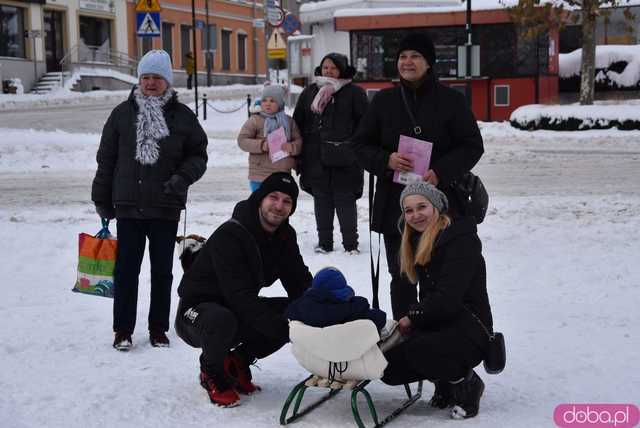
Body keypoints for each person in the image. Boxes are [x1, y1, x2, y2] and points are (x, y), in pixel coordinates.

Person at [351, 33, 484, 320]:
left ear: (429, 63)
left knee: (443, 277)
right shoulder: (383, 101)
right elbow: (359, 145)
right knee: (402, 276)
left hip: (442, 204)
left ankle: (442, 338)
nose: (407, 62)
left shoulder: (452, 100)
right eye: (402, 57)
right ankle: (404, 337)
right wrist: (386, 160)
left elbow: (473, 145)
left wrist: (440, 172)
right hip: (395, 208)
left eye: (415, 56)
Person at [91, 49, 208, 351]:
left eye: (157, 77)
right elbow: (106, 160)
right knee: (126, 271)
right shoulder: (121, 114)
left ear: (167, 81)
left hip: (165, 206)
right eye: (145, 77)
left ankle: (158, 328)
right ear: (139, 80)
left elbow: (198, 155)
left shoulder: (182, 117)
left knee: (162, 272)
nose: (151, 83)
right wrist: (102, 199)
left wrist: (182, 178)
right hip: (128, 206)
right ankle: (123, 330)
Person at [175, 172, 313, 407]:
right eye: (273, 197)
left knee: (296, 312)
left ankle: (237, 362)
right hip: (196, 313)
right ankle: (211, 372)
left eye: (287, 201)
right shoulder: (231, 234)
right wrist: (280, 330)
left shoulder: (284, 236)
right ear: (260, 198)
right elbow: (239, 296)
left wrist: (324, 309)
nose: (279, 206)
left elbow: (299, 282)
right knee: (223, 320)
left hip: (236, 308)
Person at [380, 182, 492, 419]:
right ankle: (443, 379)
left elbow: (448, 299)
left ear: (437, 208)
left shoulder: (462, 240)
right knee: (387, 368)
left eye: (422, 207)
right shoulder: (412, 240)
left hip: (470, 328)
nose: (415, 215)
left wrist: (412, 318)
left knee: (422, 349)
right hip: (437, 323)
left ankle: (466, 383)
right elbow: (403, 288)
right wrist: (400, 331)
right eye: (408, 210)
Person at [293, 53, 368, 254]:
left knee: (345, 202)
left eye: (333, 68)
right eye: (325, 67)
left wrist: (355, 148)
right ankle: (324, 242)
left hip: (346, 159)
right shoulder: (310, 92)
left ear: (342, 70)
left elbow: (365, 125)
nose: (329, 71)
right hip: (315, 158)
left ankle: (351, 244)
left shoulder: (354, 93)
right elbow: (298, 122)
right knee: (322, 201)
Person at [237, 85, 302, 192]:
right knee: (260, 205)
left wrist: (292, 147)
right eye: (264, 100)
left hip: (282, 172)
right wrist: (261, 145)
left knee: (280, 206)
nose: (267, 103)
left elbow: (299, 141)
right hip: (260, 174)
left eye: (272, 101)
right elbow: (242, 141)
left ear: (280, 103)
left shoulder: (288, 122)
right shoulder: (255, 120)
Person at [285, 266, 386, 330]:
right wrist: (359, 304)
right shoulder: (352, 312)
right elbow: (380, 318)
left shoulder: (298, 309)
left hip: (315, 357)